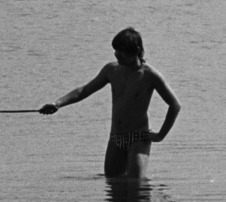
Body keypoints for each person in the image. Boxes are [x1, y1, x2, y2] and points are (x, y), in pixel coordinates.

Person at [39, 27, 181, 178]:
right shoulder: (111, 70)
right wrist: (57, 104)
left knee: (137, 187)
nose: (117, 54)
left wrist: (161, 135)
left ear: (136, 50)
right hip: (116, 137)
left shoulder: (149, 75)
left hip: (139, 138)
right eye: (115, 50)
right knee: (113, 184)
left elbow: (174, 105)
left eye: (122, 51)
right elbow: (84, 90)